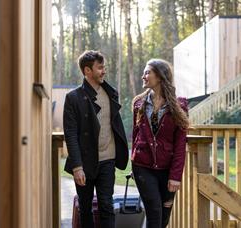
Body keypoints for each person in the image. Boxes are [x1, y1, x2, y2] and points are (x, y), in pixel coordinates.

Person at [63, 50, 129, 228]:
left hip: (108, 159)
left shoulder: (110, 93)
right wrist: (77, 167)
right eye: (100, 68)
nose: (104, 71)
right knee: (85, 209)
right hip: (84, 162)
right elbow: (70, 134)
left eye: (104, 67)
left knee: (107, 206)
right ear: (87, 71)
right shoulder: (73, 98)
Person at [131, 59, 189, 228]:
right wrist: (133, 161)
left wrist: (175, 176)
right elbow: (135, 135)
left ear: (160, 76)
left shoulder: (179, 106)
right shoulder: (139, 104)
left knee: (163, 217)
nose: (143, 76)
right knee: (154, 212)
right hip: (143, 167)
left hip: (167, 169)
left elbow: (180, 144)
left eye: (147, 72)